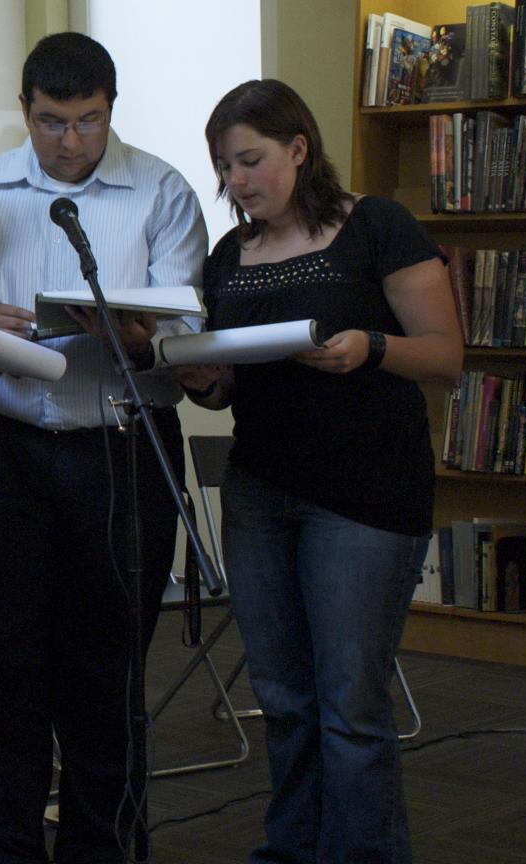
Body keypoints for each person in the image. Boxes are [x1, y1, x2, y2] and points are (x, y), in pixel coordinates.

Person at [0, 31, 207, 864]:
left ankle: (101, 846)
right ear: (25, 111)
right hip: (4, 449)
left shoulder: (161, 189)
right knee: (1, 668)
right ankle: (10, 847)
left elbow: (190, 331)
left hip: (122, 447)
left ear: (111, 109)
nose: (71, 141)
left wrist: (134, 335)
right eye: (54, 122)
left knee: (108, 667)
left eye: (90, 121)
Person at [180, 79, 460, 863]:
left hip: (363, 496)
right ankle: (293, 850)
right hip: (261, 490)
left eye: (251, 160)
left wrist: (368, 346)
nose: (236, 181)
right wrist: (204, 379)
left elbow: (444, 354)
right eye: (224, 166)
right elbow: (230, 380)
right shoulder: (229, 256)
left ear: (299, 150)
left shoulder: (376, 225)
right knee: (283, 700)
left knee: (349, 706)